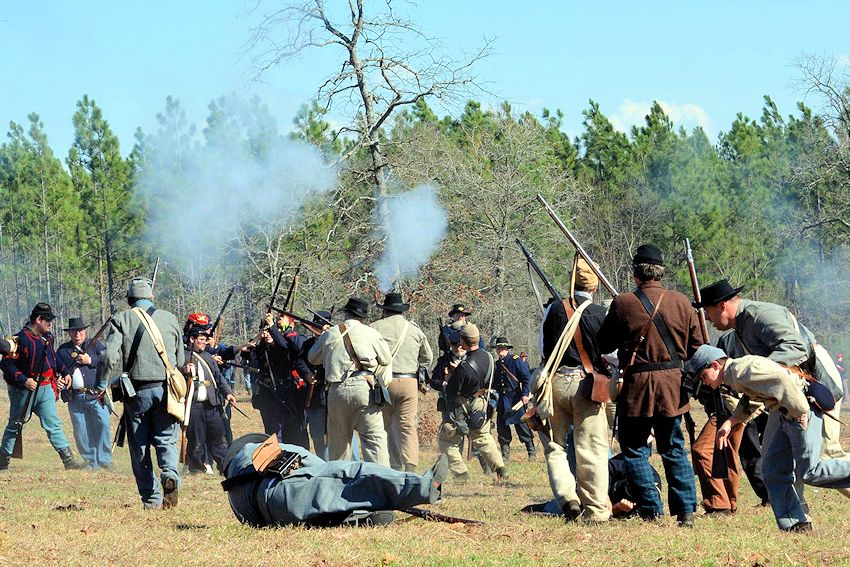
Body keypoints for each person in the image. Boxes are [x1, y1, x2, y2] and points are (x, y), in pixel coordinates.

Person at [695, 278, 850, 500]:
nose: (708, 318)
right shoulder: (739, 329)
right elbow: (759, 381)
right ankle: (797, 521)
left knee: (827, 454)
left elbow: (796, 349)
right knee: (776, 463)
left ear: (721, 306)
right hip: (787, 388)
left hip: (813, 377)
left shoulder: (759, 315)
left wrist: (762, 370)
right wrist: (735, 419)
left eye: (708, 311)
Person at [688, 344, 850, 531]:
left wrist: (800, 412)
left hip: (799, 412)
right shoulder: (735, 374)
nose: (704, 381)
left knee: (810, 472)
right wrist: (732, 421)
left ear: (716, 365)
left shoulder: (743, 369)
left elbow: (782, 380)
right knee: (772, 472)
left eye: (703, 376)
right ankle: (796, 524)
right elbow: (753, 397)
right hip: (783, 413)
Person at [597, 244, 702, 526]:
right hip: (672, 387)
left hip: (638, 388)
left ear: (635, 273)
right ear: (661, 272)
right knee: (674, 449)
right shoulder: (682, 302)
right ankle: (686, 511)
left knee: (634, 450)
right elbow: (697, 348)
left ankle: (650, 508)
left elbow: (604, 343)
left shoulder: (623, 303)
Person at [222, 433, 449, 527]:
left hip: (280, 512)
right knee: (350, 475)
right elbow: (316, 465)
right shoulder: (255, 450)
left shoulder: (235, 496)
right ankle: (425, 487)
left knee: (329, 503)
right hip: (285, 488)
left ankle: (357, 517)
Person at [97, 277, 184, 509]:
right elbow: (181, 359)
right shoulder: (170, 318)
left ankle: (152, 499)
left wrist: (100, 384)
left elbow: (107, 357)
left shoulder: (122, 319)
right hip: (167, 391)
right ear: (151, 297)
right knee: (166, 440)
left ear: (129, 299)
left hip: (137, 393)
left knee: (140, 447)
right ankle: (170, 473)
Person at [537, 257, 611, 522]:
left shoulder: (554, 308)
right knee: (591, 449)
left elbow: (542, 347)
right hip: (587, 385)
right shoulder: (601, 313)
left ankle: (568, 498)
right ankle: (596, 510)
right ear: (595, 287)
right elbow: (611, 355)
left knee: (556, 447)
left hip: (556, 384)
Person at [308, 297, 391, 464]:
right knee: (374, 441)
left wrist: (325, 337)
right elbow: (386, 358)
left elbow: (312, 358)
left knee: (338, 446)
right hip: (364, 387)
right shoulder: (371, 333)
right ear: (363, 317)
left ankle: (340, 484)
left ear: (346, 313)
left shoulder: (330, 334)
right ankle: (381, 482)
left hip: (337, 390)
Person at [1, 303, 84, 471]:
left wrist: (65, 371)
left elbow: (52, 357)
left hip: (45, 387)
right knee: (15, 424)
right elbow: (6, 365)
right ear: (38, 320)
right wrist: (23, 380)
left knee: (53, 424)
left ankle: (69, 461)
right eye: (48, 321)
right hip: (24, 390)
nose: (50, 324)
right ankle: (3, 462)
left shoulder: (48, 337)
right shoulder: (20, 340)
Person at [371, 292, 433, 471]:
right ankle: (411, 466)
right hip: (409, 383)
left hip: (384, 382)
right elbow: (427, 358)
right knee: (408, 426)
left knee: (386, 427)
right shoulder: (414, 330)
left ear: (385, 311)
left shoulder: (375, 327)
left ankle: (393, 466)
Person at [437, 323, 508, 481]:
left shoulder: (464, 366)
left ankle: (461, 474)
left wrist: (449, 378)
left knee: (447, 441)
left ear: (463, 341)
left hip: (463, 405)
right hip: (481, 402)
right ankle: (501, 469)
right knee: (484, 438)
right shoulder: (488, 357)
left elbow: (452, 391)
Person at [521, 452, 662, 519]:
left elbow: (617, 517)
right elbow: (602, 469)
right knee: (561, 507)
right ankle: (538, 508)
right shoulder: (632, 465)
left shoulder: (650, 498)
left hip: (606, 505)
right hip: (598, 486)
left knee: (577, 513)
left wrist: (617, 509)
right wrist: (604, 493)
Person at [56, 316, 111, 470]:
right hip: (75, 396)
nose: (77, 334)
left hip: (96, 394)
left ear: (84, 331)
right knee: (81, 430)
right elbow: (56, 370)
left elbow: (107, 360)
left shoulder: (95, 345)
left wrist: (90, 360)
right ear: (69, 333)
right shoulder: (63, 351)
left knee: (103, 425)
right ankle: (89, 461)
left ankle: (104, 459)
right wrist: (58, 381)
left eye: (80, 331)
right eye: (74, 331)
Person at [183, 322, 237, 474]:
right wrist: (184, 369)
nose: (205, 342)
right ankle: (196, 468)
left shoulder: (208, 356)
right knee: (196, 439)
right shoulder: (182, 355)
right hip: (194, 405)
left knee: (219, 438)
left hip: (212, 404)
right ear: (192, 339)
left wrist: (228, 393)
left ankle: (225, 466)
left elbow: (218, 378)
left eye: (206, 339)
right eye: (201, 339)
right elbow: (174, 373)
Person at [296, 310, 333, 459]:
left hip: (334, 394)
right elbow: (299, 362)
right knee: (317, 435)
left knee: (340, 434)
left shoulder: (337, 341)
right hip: (315, 396)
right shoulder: (309, 343)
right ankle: (324, 465)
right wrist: (307, 374)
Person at [492, 337, 535, 462]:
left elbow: (526, 378)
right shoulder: (496, 364)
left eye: (503, 348)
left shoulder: (515, 360)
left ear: (507, 349)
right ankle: (505, 455)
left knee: (522, 427)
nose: (500, 350)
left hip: (516, 399)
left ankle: (531, 452)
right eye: (498, 348)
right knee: (502, 428)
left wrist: (525, 394)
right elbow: (495, 382)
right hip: (502, 400)